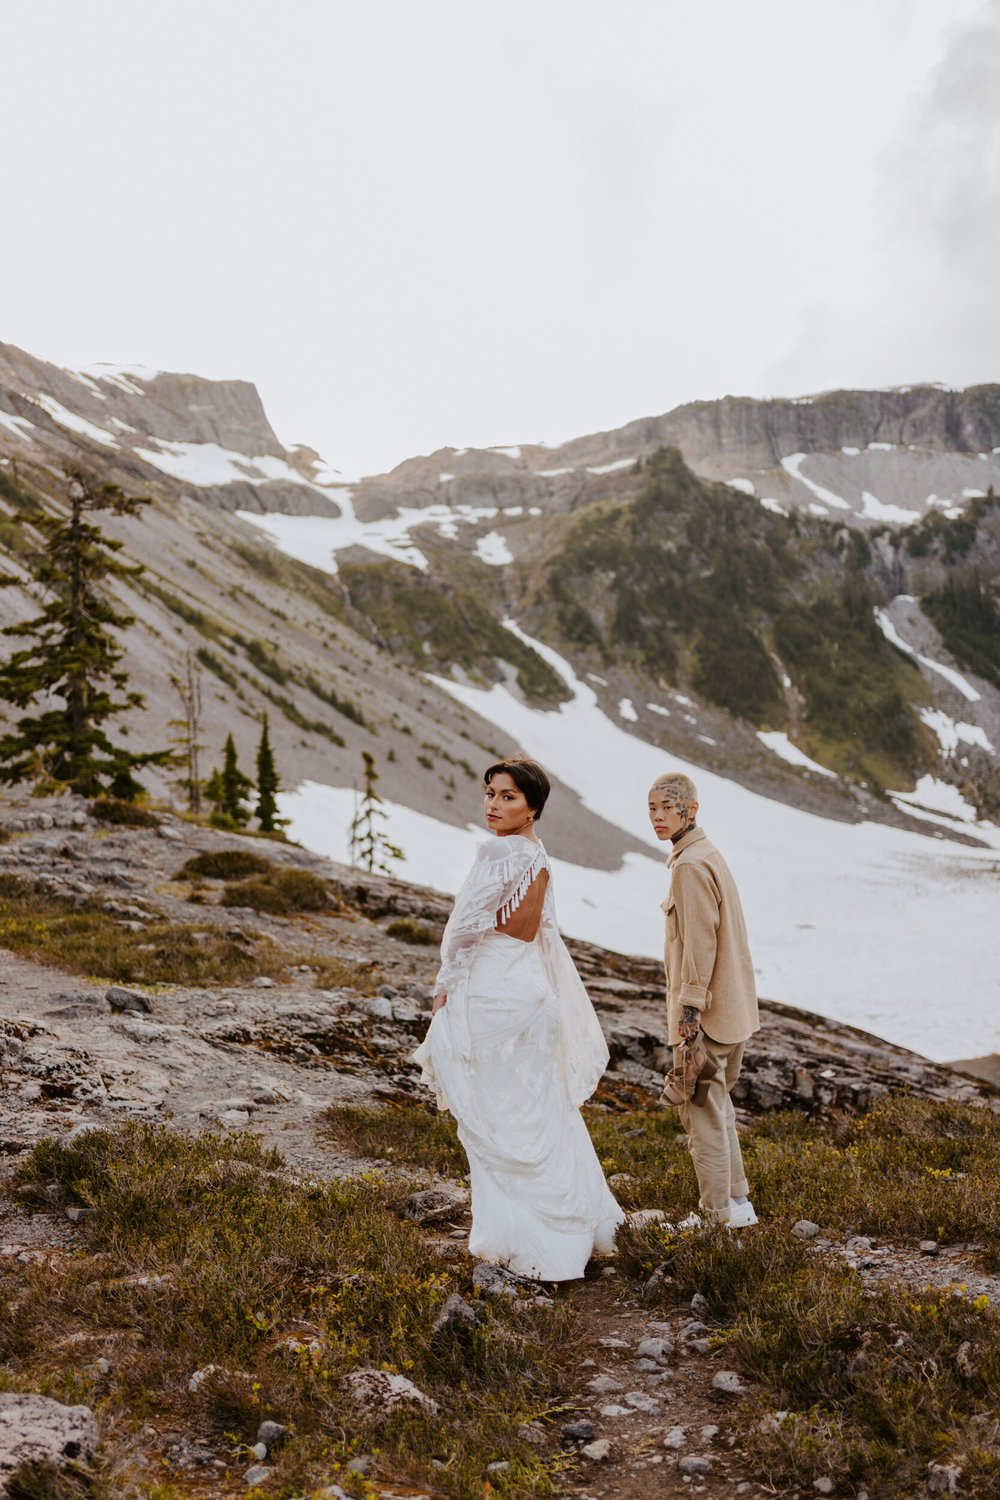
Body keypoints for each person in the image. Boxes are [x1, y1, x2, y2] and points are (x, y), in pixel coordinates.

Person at [413, 754, 624, 1280]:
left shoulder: (497, 852)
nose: (494, 805)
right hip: (530, 996)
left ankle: (522, 1243)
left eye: (508, 797)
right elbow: (544, 936)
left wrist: (443, 991)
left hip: (490, 993)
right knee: (539, 1110)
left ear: (532, 808)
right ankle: (573, 1232)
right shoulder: (540, 857)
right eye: (490, 793)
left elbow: (463, 932)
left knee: (494, 1113)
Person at [648, 771, 760, 1228]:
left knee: (702, 1118)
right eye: (651, 808)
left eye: (666, 808)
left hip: (706, 1017)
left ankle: (716, 1215)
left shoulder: (691, 866)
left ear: (691, 809)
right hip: (733, 1012)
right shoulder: (705, 853)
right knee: (720, 1108)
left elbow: (700, 943)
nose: (657, 817)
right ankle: (738, 1205)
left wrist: (689, 1013)